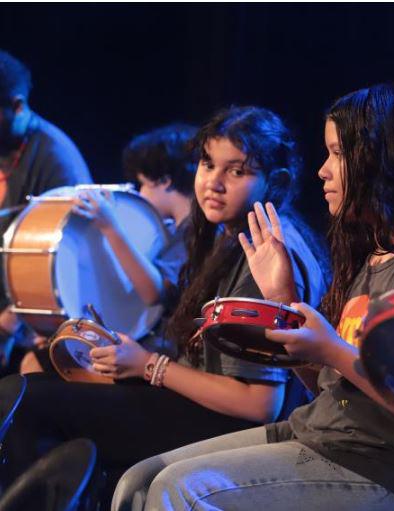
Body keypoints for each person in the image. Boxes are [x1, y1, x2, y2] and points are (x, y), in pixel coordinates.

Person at [112, 80, 394, 511]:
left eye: (339, 154)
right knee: (139, 482)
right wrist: (284, 302)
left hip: (380, 467)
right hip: (321, 434)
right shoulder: (375, 252)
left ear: (385, 160)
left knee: (179, 488)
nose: (323, 170)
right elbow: (327, 386)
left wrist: (332, 350)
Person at [0, 106, 326, 492]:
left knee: (33, 406)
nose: (213, 183)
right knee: (28, 384)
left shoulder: (265, 254)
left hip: (225, 423)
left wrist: (149, 365)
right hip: (199, 401)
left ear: (275, 181)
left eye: (237, 172)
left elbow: (259, 405)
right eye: (208, 164)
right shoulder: (226, 236)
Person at [18, 123, 197, 374]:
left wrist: (110, 226)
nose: (141, 193)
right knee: (36, 360)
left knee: (35, 366)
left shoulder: (192, 232)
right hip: (151, 344)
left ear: (165, 180)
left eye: (143, 184)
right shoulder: (175, 231)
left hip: (161, 353)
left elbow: (152, 293)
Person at [0, 49, 92, 360]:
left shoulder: (56, 160)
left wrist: (9, 323)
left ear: (17, 106)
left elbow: (68, 259)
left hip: (25, 326)